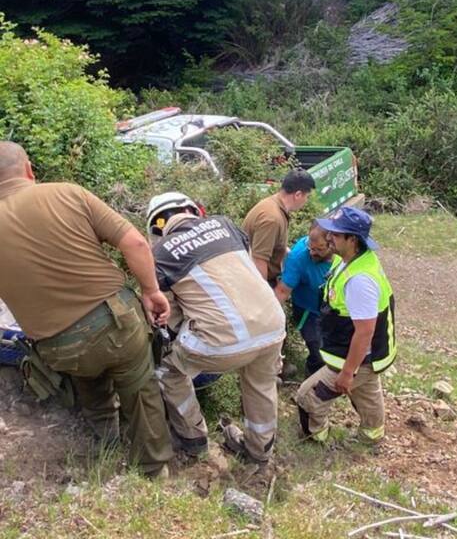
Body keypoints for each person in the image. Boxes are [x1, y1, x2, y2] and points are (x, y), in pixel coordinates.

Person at [0, 141, 173, 478]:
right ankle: (153, 471)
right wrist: (152, 291)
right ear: (29, 170)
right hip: (114, 323)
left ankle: (105, 443)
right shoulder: (66, 193)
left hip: (56, 347)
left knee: (88, 379)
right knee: (140, 389)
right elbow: (136, 242)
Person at [147, 192, 285, 467]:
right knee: (261, 384)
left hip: (221, 342)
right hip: (272, 325)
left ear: (156, 227)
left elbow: (169, 316)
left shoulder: (160, 254)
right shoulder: (227, 225)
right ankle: (259, 452)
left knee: (168, 371)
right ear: (194, 210)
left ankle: (193, 438)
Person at [294, 207, 397, 444]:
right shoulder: (349, 259)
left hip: (357, 357)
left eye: (336, 234)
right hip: (365, 355)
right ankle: (372, 436)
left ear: (353, 239)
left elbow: (364, 331)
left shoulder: (360, 281)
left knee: (307, 397)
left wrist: (347, 373)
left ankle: (315, 439)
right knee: (367, 391)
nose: (329, 237)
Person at [274, 222, 334, 377]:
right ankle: (312, 380)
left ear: (333, 243)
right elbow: (282, 291)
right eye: (311, 247)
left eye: (319, 249)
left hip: (333, 308)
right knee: (318, 349)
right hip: (309, 310)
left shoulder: (343, 253)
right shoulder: (299, 257)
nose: (313, 253)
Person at [242, 169, 316, 287]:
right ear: (298, 195)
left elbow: (272, 242)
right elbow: (259, 260)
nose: (306, 201)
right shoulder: (272, 219)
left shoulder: (274, 205)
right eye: (307, 196)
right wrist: (265, 296)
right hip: (256, 282)